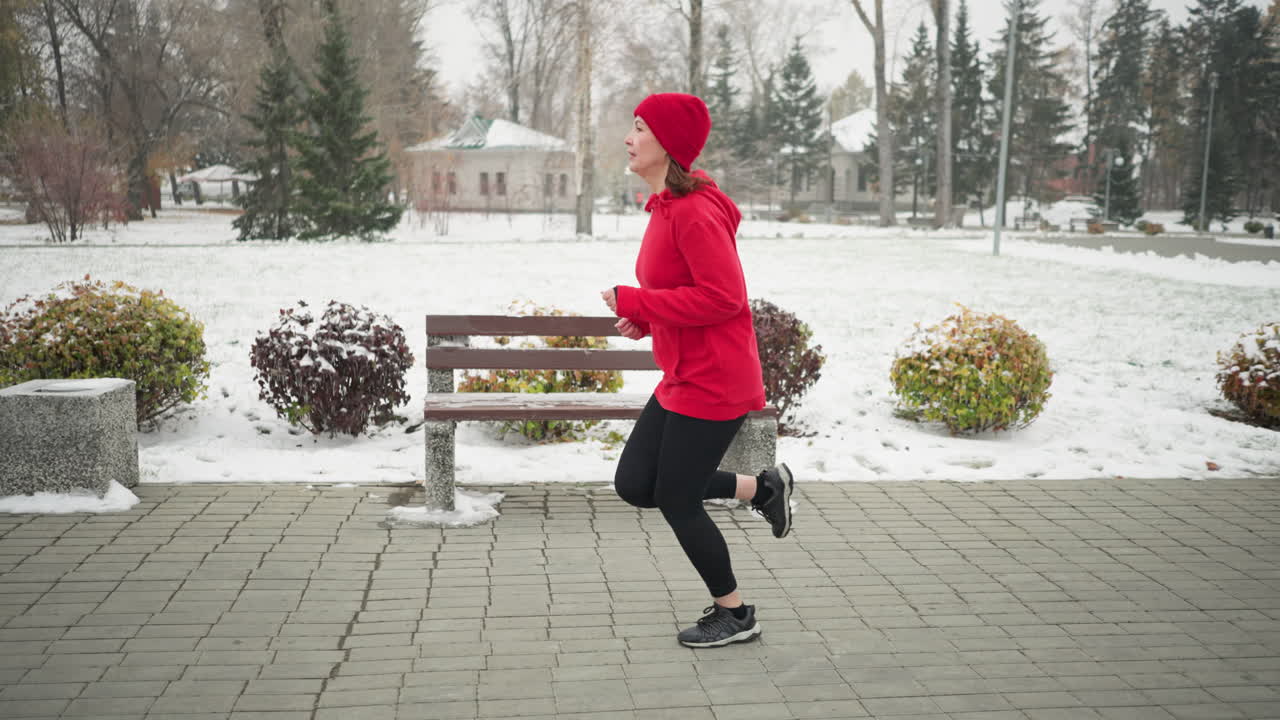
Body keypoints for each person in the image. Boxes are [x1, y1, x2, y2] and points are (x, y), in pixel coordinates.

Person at [600, 92, 794, 649]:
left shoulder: (693, 212)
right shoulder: (665, 207)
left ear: (668, 145)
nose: (629, 138)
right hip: (684, 372)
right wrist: (648, 318)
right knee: (637, 483)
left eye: (639, 128)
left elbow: (724, 298)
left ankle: (734, 613)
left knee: (677, 498)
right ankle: (761, 488)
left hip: (715, 380)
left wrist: (639, 302)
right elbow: (681, 293)